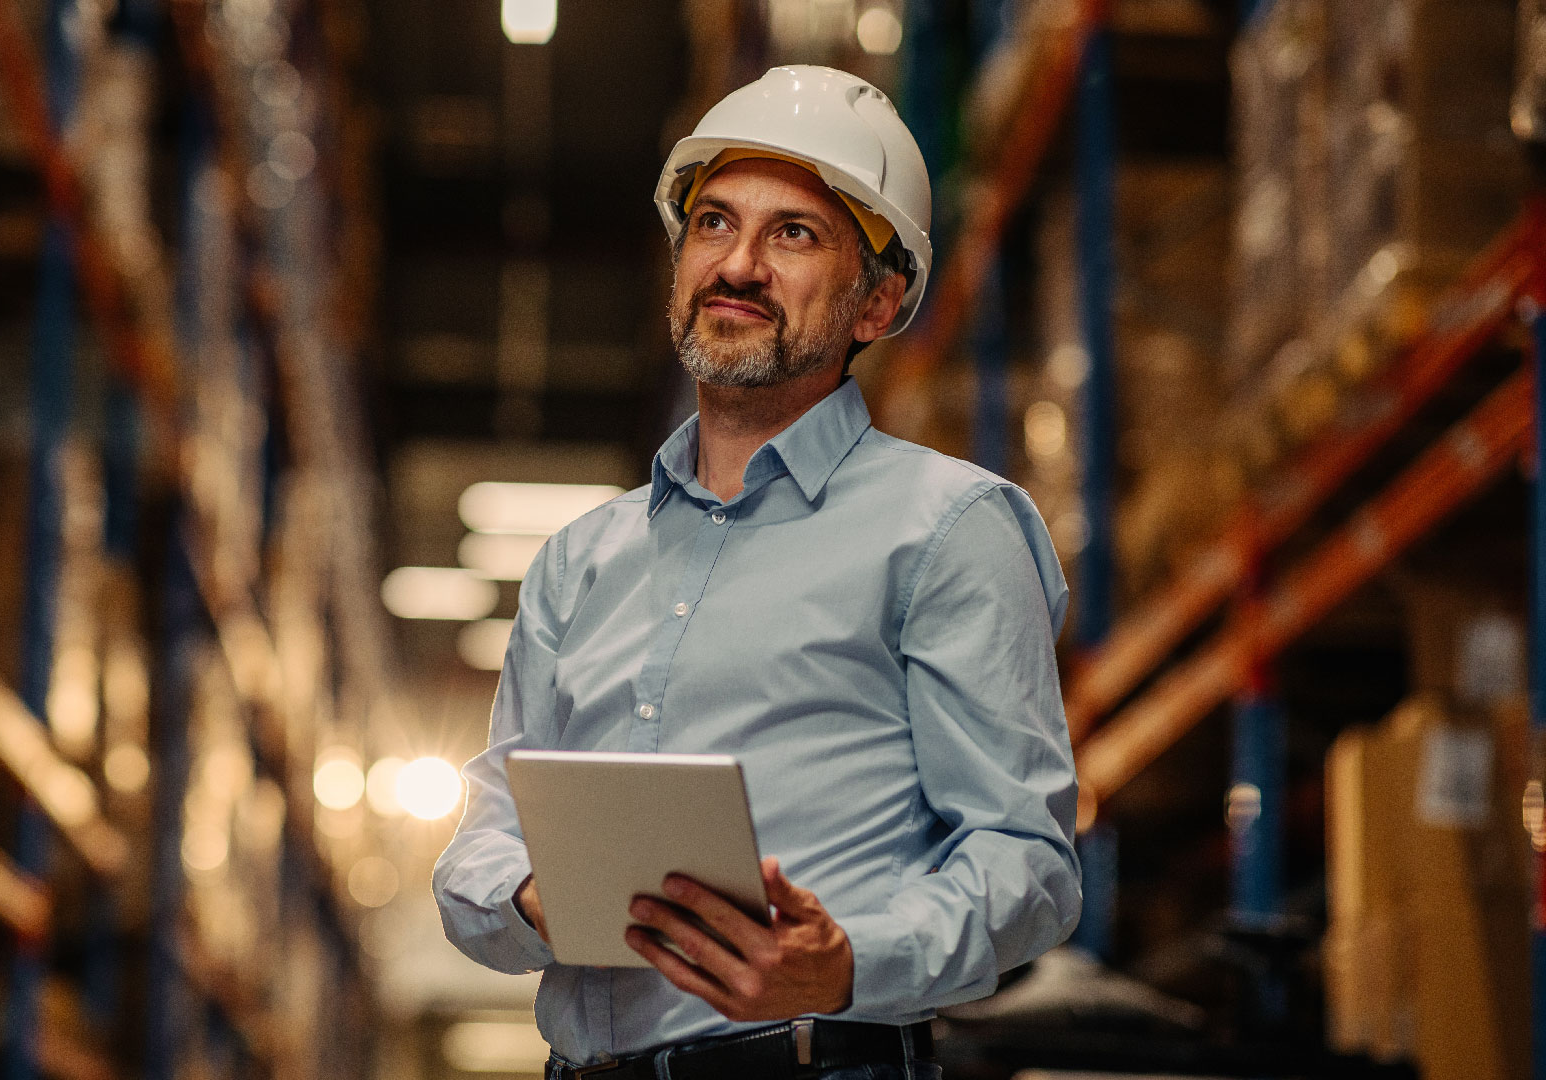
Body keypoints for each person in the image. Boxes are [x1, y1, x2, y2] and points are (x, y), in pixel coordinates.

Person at [432, 65, 1081, 1080]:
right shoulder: (580, 562)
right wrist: (527, 896)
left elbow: (1028, 865)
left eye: (794, 234)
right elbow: (489, 830)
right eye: (712, 224)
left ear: (878, 302)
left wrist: (844, 963)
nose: (736, 265)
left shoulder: (949, 528)